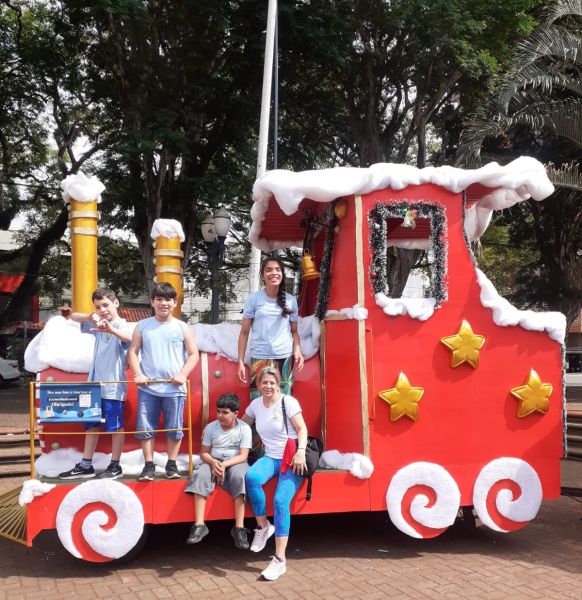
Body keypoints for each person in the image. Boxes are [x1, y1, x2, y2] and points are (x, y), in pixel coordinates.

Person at [128, 282, 199, 481]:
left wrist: (183, 374)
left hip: (175, 389)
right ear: (152, 302)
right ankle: (149, 465)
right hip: (148, 388)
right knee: (145, 427)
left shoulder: (182, 327)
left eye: (168, 299)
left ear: (175, 302)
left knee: (174, 429)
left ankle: (172, 464)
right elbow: (132, 351)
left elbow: (193, 355)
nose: (163, 303)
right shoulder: (142, 326)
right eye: (159, 299)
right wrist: (137, 374)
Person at [242, 366, 308, 581]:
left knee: (280, 501)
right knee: (252, 477)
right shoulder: (256, 405)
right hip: (271, 457)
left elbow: (302, 429)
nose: (268, 386)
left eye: (272, 382)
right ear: (258, 385)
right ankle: (263, 526)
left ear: (278, 384)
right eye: (264, 382)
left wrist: (300, 452)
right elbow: (242, 426)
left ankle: (280, 560)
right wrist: (217, 429)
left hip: (292, 460)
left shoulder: (288, 402)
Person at [59, 288, 132, 480]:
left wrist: (110, 329)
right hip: (93, 385)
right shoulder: (97, 322)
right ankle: (86, 464)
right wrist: (90, 316)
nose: (102, 309)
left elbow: (130, 340)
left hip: (113, 385)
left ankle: (115, 465)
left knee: (115, 427)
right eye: (98, 307)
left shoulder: (124, 325)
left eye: (106, 305)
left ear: (116, 303)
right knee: (91, 425)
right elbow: (74, 317)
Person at [185, 392, 252, 550]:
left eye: (225, 412)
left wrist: (225, 465)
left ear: (235, 414)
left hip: (235, 462)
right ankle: (200, 525)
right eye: (218, 411)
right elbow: (204, 453)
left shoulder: (244, 428)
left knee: (241, 477)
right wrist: (214, 462)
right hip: (213, 461)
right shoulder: (211, 427)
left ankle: (239, 528)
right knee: (200, 474)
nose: (220, 415)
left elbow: (243, 456)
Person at [237, 257, 304, 397]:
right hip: (260, 357)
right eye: (269, 270)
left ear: (282, 274)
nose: (274, 273)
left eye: (278, 270)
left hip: (284, 357)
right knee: (258, 401)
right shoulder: (253, 299)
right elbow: (244, 332)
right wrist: (240, 362)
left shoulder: (291, 300)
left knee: (283, 401)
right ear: (262, 276)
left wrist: (297, 351)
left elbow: (294, 331)